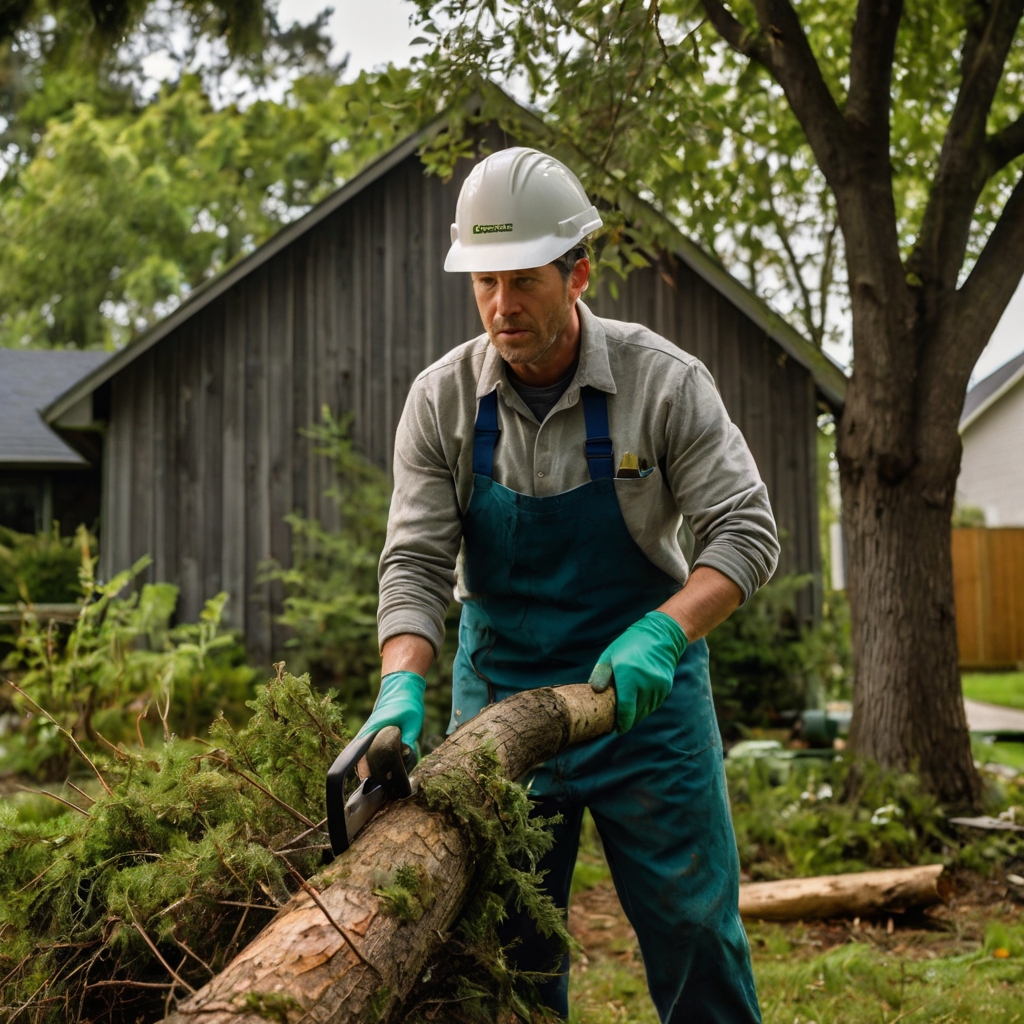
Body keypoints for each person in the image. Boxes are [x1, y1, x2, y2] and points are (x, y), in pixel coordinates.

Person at [361, 146, 779, 1022]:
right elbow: (416, 562)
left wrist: (666, 631)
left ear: (577, 272)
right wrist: (402, 676)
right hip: (501, 709)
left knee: (697, 932)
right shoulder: (441, 403)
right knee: (504, 958)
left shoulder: (663, 383)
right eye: (484, 283)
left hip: (648, 711)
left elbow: (745, 531)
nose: (501, 308)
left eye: (523, 281)